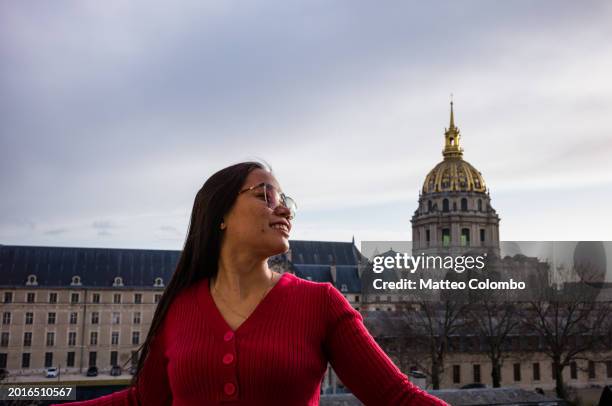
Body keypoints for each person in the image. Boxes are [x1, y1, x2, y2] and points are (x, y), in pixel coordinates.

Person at [57, 161, 448, 405]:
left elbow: (397, 398)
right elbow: (145, 401)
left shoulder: (321, 302)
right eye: (266, 195)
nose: (283, 209)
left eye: (286, 201)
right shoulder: (179, 307)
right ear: (220, 214)